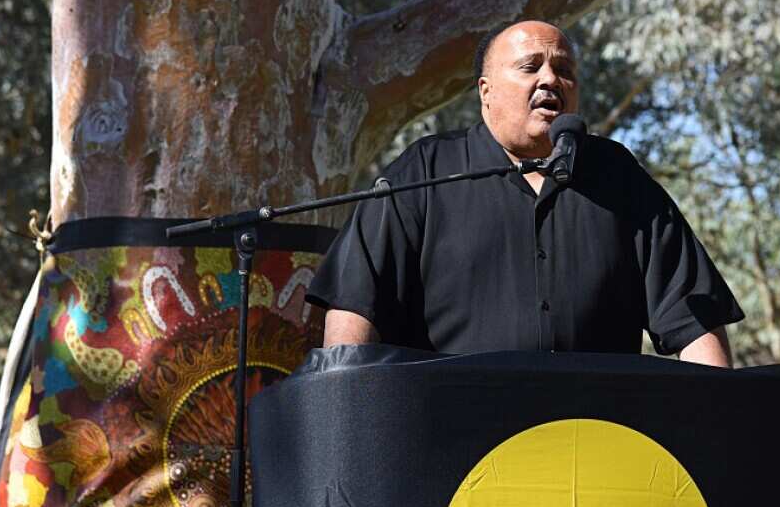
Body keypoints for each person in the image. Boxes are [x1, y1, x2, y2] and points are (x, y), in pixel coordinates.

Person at [308, 20, 743, 366]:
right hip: (452, 446)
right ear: (486, 92)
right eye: (530, 67)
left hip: (595, 444)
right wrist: (347, 423)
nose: (551, 79)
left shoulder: (618, 177)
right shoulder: (426, 171)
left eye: (565, 70)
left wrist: (712, 434)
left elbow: (695, 322)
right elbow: (355, 307)